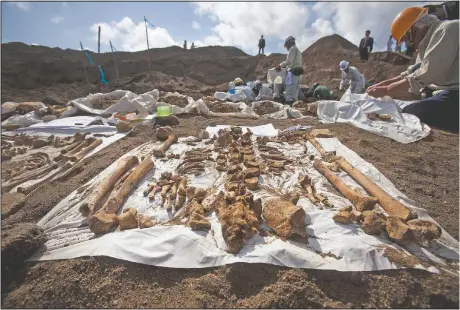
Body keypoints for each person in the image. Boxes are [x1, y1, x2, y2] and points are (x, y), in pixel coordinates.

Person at [366, 7, 459, 132]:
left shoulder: (447, 30)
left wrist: (387, 90)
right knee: (418, 105)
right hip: (448, 91)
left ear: (416, 29)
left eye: (407, 41)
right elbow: (410, 72)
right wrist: (382, 85)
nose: (410, 46)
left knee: (413, 112)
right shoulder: (426, 46)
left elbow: (426, 73)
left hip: (456, 92)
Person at [274, 36, 303, 104]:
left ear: (289, 43)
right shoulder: (297, 50)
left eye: (286, 45)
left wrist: (280, 66)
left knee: (289, 93)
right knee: (294, 93)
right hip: (298, 74)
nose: (286, 47)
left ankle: (290, 110)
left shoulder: (292, 49)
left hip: (292, 74)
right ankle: (294, 108)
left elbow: (289, 61)